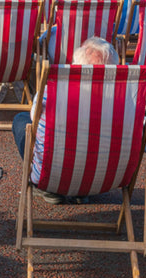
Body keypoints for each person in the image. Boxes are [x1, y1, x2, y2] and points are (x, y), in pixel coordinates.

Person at [10, 36, 120, 203]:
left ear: (77, 67)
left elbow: (35, 118)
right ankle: (82, 191)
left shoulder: (54, 92)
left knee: (22, 121)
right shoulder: (125, 100)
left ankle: (49, 189)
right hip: (103, 177)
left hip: (56, 173)